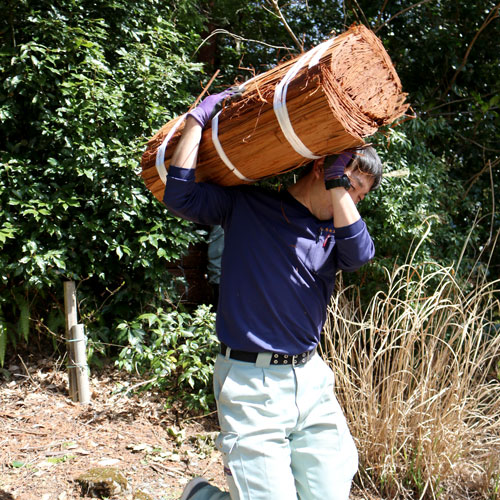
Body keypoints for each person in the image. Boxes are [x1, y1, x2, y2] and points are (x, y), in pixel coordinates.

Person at [163, 91, 382, 500]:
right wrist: (198, 117)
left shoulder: (337, 236)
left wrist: (339, 187)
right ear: (321, 168)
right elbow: (180, 195)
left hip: (312, 380)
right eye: (350, 185)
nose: (351, 201)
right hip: (252, 384)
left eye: (360, 195)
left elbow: (361, 255)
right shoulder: (249, 208)